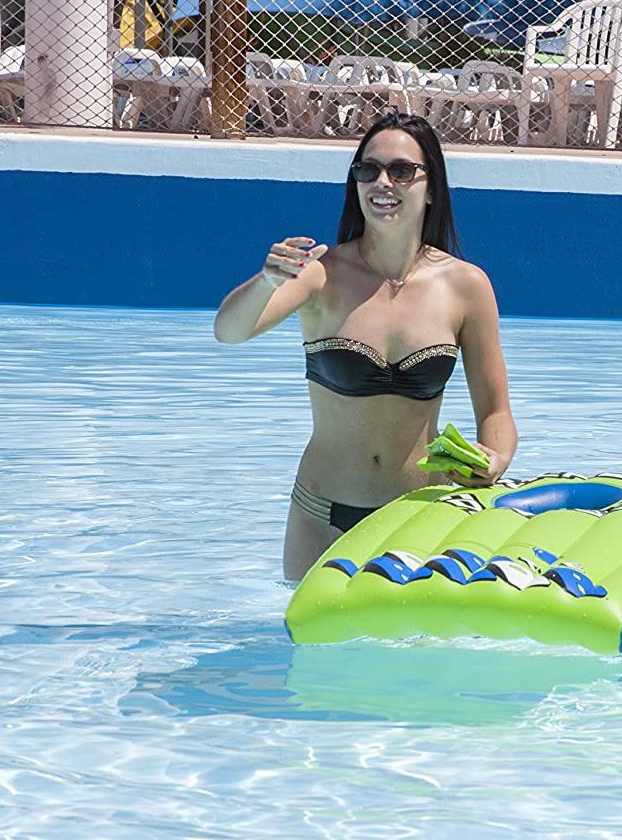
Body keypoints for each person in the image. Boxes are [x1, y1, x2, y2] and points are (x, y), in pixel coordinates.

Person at [214, 112, 517, 581]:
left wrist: (494, 460)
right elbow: (229, 331)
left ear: (431, 186)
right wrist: (266, 281)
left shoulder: (465, 286)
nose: (382, 182)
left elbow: (495, 413)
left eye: (400, 170)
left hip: (421, 514)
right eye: (367, 169)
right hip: (323, 514)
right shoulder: (322, 273)